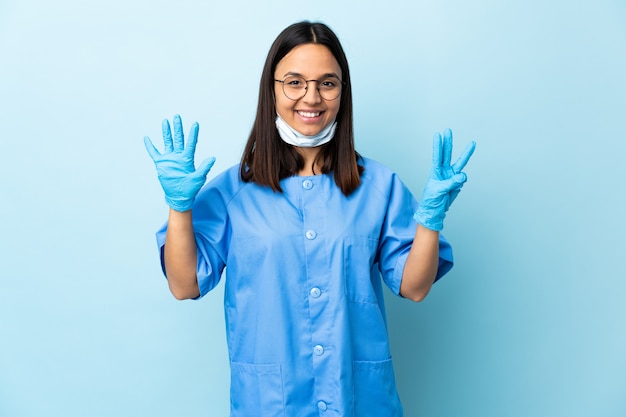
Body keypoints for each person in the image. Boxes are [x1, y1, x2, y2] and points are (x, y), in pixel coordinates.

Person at [144, 21, 475, 417]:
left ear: (342, 92)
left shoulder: (380, 187)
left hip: (360, 400)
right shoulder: (233, 192)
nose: (311, 97)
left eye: (327, 83)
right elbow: (184, 285)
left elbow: (414, 287)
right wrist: (179, 207)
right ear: (272, 89)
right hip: (270, 404)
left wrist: (431, 219)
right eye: (295, 82)